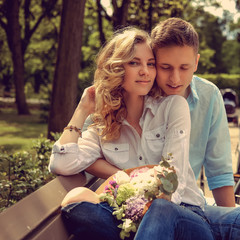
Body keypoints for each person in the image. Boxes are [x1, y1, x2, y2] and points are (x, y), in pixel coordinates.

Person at [84, 18, 240, 240]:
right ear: (154, 62)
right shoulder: (134, 94)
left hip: (193, 205)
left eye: (184, 68)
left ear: (196, 63)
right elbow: (90, 142)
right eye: (165, 67)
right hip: (143, 206)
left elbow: (219, 172)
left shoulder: (209, 95)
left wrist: (228, 225)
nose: (175, 79)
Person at [49, 27, 217, 240]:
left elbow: (171, 181)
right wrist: (82, 110)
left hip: (184, 214)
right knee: (76, 202)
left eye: (150, 64)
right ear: (117, 69)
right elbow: (61, 164)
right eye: (134, 63)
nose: (145, 71)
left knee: (159, 208)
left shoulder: (174, 106)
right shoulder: (102, 123)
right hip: (133, 219)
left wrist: (123, 182)